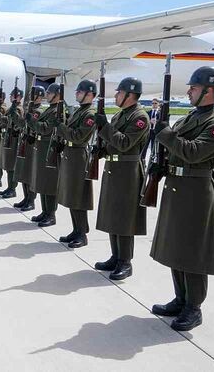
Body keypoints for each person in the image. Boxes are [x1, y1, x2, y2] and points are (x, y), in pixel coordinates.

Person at [149, 66, 214, 331]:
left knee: (193, 252)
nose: (189, 92)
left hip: (196, 191)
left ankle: (194, 307)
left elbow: (194, 153)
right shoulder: (191, 117)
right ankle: (180, 298)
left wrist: (166, 134)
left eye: (193, 88)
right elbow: (175, 149)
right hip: (178, 187)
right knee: (177, 247)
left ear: (209, 91)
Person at [92, 77, 150, 278]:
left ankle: (125, 261)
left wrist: (105, 127)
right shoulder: (120, 116)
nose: (115, 95)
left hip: (128, 171)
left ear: (130, 95)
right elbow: (112, 143)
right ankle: (115, 256)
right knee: (113, 214)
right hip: (114, 168)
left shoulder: (139, 117)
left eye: (119, 92)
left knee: (125, 218)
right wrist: (100, 148)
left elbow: (125, 143)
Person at [56, 79, 100, 249]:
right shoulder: (79, 112)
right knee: (71, 196)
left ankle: (82, 234)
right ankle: (76, 230)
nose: (76, 94)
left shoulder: (89, 114)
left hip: (79, 156)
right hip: (71, 154)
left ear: (89, 94)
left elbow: (78, 136)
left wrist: (61, 128)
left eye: (79, 92)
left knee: (79, 197)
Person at [26, 83, 63, 226]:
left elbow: (45, 129)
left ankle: (51, 214)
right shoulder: (49, 110)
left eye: (49, 93)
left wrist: (32, 121)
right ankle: (45, 211)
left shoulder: (56, 112)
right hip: (42, 148)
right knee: (42, 181)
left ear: (57, 95)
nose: (46, 95)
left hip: (49, 148)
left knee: (49, 183)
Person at [13, 86, 44, 212]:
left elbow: (38, 128)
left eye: (34, 95)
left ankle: (31, 200)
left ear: (39, 96)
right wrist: (15, 116)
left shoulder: (39, 111)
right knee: (24, 172)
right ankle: (26, 198)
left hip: (32, 145)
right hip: (25, 143)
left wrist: (30, 121)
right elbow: (22, 125)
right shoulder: (30, 110)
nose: (31, 97)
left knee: (30, 174)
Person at [0, 86, 24, 199]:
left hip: (14, 138)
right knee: (8, 165)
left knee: (12, 165)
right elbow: (6, 120)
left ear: (19, 97)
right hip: (8, 137)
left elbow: (16, 122)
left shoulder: (18, 109)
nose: (11, 98)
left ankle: (12, 189)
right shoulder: (11, 108)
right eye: (11, 96)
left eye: (14, 96)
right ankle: (9, 187)